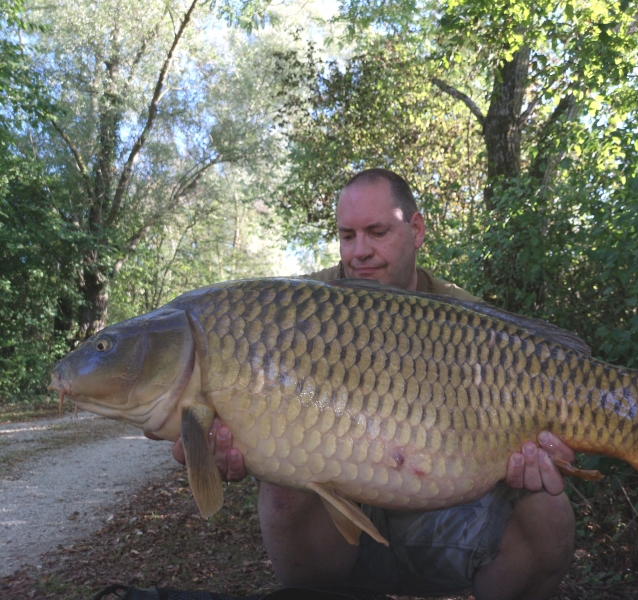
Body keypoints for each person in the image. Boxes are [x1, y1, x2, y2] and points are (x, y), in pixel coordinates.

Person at [164, 169, 576, 600]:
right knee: (283, 493)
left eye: (377, 232)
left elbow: (536, 419)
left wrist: (537, 453)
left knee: (548, 511)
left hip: (442, 513)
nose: (359, 252)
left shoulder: (469, 320)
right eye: (347, 236)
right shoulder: (298, 309)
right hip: (334, 529)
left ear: (415, 230)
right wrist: (212, 445)